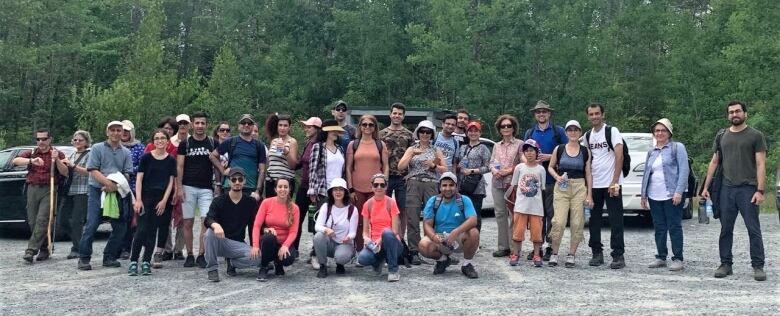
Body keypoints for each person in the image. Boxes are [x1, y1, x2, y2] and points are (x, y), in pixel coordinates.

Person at [701, 100, 767, 281]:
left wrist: (760, 190)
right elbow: (714, 162)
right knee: (725, 229)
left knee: (753, 229)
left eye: (738, 111)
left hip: (748, 189)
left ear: (745, 113)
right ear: (728, 115)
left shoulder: (755, 135)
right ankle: (725, 264)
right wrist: (706, 187)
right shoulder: (722, 135)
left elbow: (761, 164)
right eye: (731, 112)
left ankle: (758, 266)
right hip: (726, 189)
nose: (734, 115)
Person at [77, 121, 133, 270]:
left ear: (123, 133)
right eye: (112, 130)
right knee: (92, 224)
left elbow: (128, 173)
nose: (116, 133)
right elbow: (92, 169)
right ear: (107, 132)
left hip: (117, 192)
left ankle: (109, 256)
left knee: (120, 227)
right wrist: (107, 184)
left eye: (119, 130)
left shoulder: (126, 152)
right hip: (97, 190)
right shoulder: (97, 148)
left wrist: (115, 186)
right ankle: (84, 258)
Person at [640, 118, 689, 272]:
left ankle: (678, 258)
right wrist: (643, 195)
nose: (659, 133)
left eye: (663, 130)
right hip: (655, 195)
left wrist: (679, 191)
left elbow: (684, 170)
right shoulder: (651, 151)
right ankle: (661, 256)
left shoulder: (677, 147)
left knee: (674, 226)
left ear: (669, 133)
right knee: (659, 227)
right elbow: (646, 173)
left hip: (672, 194)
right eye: (657, 131)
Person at [13, 128, 69, 262]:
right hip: (32, 188)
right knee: (32, 221)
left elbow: (65, 172)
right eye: (38, 139)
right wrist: (31, 161)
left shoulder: (57, 153)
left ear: (50, 139)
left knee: (42, 220)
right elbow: (15, 161)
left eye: (44, 139)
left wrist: (57, 160)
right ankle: (44, 247)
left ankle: (31, 251)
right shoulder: (32, 152)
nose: (41, 142)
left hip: (49, 188)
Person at [523, 100, 568, 261]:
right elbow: (524, 154)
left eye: (544, 111)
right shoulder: (529, 133)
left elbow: (568, 152)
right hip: (534, 181)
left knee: (551, 215)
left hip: (552, 179)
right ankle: (537, 246)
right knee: (536, 215)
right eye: (538, 112)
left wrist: (550, 156)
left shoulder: (558, 132)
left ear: (549, 114)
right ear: (535, 115)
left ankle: (550, 246)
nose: (541, 114)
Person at [583, 103, 626, 269]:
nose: (594, 117)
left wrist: (614, 181)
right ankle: (596, 253)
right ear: (588, 116)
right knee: (594, 221)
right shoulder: (587, 136)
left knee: (616, 220)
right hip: (595, 183)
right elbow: (588, 161)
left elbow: (619, 156)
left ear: (603, 114)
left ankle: (618, 255)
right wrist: (588, 187)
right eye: (591, 114)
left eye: (597, 113)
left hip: (611, 184)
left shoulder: (612, 131)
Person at [398, 120, 446, 265]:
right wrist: (411, 154)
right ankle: (414, 251)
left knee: (430, 218)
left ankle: (429, 248)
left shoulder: (436, 149)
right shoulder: (412, 148)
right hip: (413, 183)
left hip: (430, 183)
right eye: (422, 131)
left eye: (428, 132)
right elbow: (401, 166)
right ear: (418, 133)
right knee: (412, 217)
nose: (425, 134)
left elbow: (445, 169)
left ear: (432, 134)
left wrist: (434, 165)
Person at [129, 130, 176, 276]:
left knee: (152, 231)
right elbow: (139, 179)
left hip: (161, 199)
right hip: (145, 197)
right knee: (141, 230)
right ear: (153, 141)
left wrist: (164, 201)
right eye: (156, 138)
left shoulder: (171, 160)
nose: (160, 140)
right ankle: (133, 261)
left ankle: (146, 262)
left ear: (168, 141)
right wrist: (138, 199)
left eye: (163, 138)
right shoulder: (146, 158)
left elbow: (170, 182)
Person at [176, 112, 220, 268]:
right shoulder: (185, 143)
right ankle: (189, 254)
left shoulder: (213, 143)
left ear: (207, 125)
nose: (200, 126)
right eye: (197, 123)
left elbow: (217, 165)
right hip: (188, 186)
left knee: (205, 222)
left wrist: (218, 186)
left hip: (206, 188)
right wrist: (179, 187)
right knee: (187, 222)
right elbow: (179, 166)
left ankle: (202, 254)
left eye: (203, 123)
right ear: (192, 124)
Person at [547, 120, 592, 268]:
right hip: (562, 187)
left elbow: (588, 173)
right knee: (558, 221)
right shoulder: (559, 149)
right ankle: (554, 253)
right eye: (570, 130)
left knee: (577, 222)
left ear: (580, 132)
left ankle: (572, 254)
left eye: (576, 130)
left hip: (579, 186)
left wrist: (589, 194)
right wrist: (556, 177)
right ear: (566, 133)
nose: (573, 132)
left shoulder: (585, 151)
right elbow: (551, 167)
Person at [418, 172, 480, 278]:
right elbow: (427, 225)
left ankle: (467, 264)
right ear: (440, 187)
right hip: (440, 238)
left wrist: (456, 232)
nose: (448, 188)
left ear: (456, 186)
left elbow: (473, 220)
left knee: (474, 232)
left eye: (451, 185)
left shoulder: (464, 200)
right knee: (423, 245)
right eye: (444, 185)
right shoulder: (433, 201)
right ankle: (443, 260)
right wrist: (434, 237)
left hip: (459, 238)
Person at [203, 167, 260, 282]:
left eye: (240, 179)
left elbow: (254, 226)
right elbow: (208, 219)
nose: (237, 182)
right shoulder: (219, 200)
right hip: (221, 241)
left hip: (237, 244)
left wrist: (255, 245)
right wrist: (215, 225)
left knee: (259, 257)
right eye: (234, 179)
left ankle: (232, 262)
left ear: (244, 181)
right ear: (229, 181)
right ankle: (212, 269)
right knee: (209, 233)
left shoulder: (250, 202)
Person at [307, 119, 346, 269]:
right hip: (323, 190)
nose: (336, 132)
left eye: (337, 130)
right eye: (333, 130)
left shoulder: (340, 149)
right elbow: (312, 170)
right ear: (327, 131)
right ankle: (315, 254)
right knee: (320, 223)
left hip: (338, 191)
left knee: (336, 223)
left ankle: (336, 252)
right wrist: (312, 190)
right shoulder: (318, 147)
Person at [346, 114, 389, 250]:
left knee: (375, 220)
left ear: (375, 127)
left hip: (376, 189)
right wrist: (350, 189)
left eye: (371, 124)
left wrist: (384, 185)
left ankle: (376, 248)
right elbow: (348, 167)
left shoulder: (380, 144)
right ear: (360, 126)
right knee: (358, 220)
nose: (367, 127)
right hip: (357, 188)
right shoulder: (353, 144)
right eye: (364, 124)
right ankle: (360, 249)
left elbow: (386, 166)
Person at [378, 103, 414, 255]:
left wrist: (410, 174)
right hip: (385, 178)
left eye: (400, 113)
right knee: (384, 209)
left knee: (402, 210)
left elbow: (413, 157)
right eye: (395, 113)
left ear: (403, 116)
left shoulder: (409, 135)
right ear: (390, 114)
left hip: (402, 178)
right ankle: (384, 237)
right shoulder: (381, 134)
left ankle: (400, 238)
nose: (397, 116)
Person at [251, 178, 300, 281]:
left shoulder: (295, 208)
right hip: (269, 240)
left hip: (283, 242)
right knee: (269, 238)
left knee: (289, 258)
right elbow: (256, 225)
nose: (283, 189)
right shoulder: (266, 202)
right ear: (275, 189)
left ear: (290, 189)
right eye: (280, 186)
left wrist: (286, 245)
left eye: (285, 187)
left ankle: (278, 263)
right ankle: (264, 266)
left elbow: (293, 231)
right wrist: (255, 246)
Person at [356, 174, 403, 282]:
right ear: (372, 187)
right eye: (376, 185)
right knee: (362, 258)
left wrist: (380, 240)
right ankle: (378, 262)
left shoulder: (391, 202)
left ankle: (393, 270)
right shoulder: (367, 204)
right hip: (375, 245)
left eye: (382, 185)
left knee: (387, 232)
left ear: (386, 187)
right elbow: (365, 231)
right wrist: (366, 239)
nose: (379, 187)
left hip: (392, 242)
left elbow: (395, 230)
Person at [508, 140, 547, 267]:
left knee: (536, 233)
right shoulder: (519, 168)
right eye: (527, 151)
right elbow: (514, 186)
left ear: (537, 153)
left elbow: (542, 188)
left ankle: (536, 254)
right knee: (518, 232)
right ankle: (515, 253)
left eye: (532, 151)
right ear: (523, 153)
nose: (529, 153)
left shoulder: (541, 169)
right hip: (521, 207)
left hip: (536, 207)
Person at [149, 117, 183, 261]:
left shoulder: (176, 149)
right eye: (165, 128)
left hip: (173, 185)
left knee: (181, 217)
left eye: (170, 129)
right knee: (163, 220)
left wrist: (177, 188)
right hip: (155, 188)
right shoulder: (150, 147)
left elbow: (176, 170)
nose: (167, 131)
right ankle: (166, 249)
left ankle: (179, 250)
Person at [490, 114, 524, 257]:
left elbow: (523, 162)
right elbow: (491, 162)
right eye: (503, 126)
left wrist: (509, 170)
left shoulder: (520, 144)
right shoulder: (496, 145)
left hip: (513, 184)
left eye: (508, 126)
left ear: (513, 128)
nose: (506, 128)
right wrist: (494, 170)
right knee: (500, 215)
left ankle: (514, 247)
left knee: (514, 215)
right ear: (499, 128)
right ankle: (503, 247)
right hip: (497, 183)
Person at [313, 178, 359, 278]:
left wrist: (349, 237)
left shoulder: (352, 209)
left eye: (341, 189)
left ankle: (340, 264)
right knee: (318, 236)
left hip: (344, 243)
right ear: (331, 192)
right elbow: (317, 226)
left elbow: (353, 232)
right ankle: (322, 265)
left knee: (341, 257)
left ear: (345, 192)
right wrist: (326, 230)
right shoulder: (326, 206)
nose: (338, 192)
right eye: (335, 189)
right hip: (329, 242)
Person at [60, 130, 92, 259]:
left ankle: (77, 248)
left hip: (83, 190)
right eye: (75, 140)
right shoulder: (72, 154)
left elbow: (90, 172)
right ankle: (80, 242)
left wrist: (73, 166)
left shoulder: (90, 154)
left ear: (86, 142)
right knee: (62, 219)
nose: (77, 142)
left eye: (80, 140)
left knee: (77, 221)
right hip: (69, 190)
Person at [293, 116, 321, 251]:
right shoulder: (308, 143)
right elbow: (299, 164)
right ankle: (294, 248)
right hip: (303, 187)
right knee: (297, 217)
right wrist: (287, 155)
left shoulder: (320, 145)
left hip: (315, 189)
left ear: (317, 129)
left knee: (316, 219)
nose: (306, 129)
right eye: (306, 126)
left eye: (309, 127)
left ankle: (316, 251)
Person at [118, 120, 146, 260]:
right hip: (115, 187)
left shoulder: (139, 147)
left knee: (131, 220)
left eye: (127, 131)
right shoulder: (113, 147)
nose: (124, 133)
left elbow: (143, 166)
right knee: (118, 218)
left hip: (133, 187)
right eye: (121, 130)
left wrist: (126, 172)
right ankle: (117, 246)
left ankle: (127, 248)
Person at [456, 121, 491, 231]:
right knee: (461, 214)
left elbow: (488, 167)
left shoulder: (483, 148)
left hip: (477, 187)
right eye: (470, 131)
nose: (473, 133)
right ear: (467, 133)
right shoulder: (463, 148)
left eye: (476, 131)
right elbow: (458, 164)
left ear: (480, 133)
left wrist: (472, 171)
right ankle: (464, 240)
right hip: (463, 185)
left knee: (475, 214)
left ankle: (475, 241)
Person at [264, 113, 299, 198]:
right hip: (271, 182)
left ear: (289, 127)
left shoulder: (292, 142)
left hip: (285, 183)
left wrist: (286, 151)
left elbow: (293, 166)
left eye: (285, 125)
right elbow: (271, 162)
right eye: (280, 125)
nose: (282, 128)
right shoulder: (274, 141)